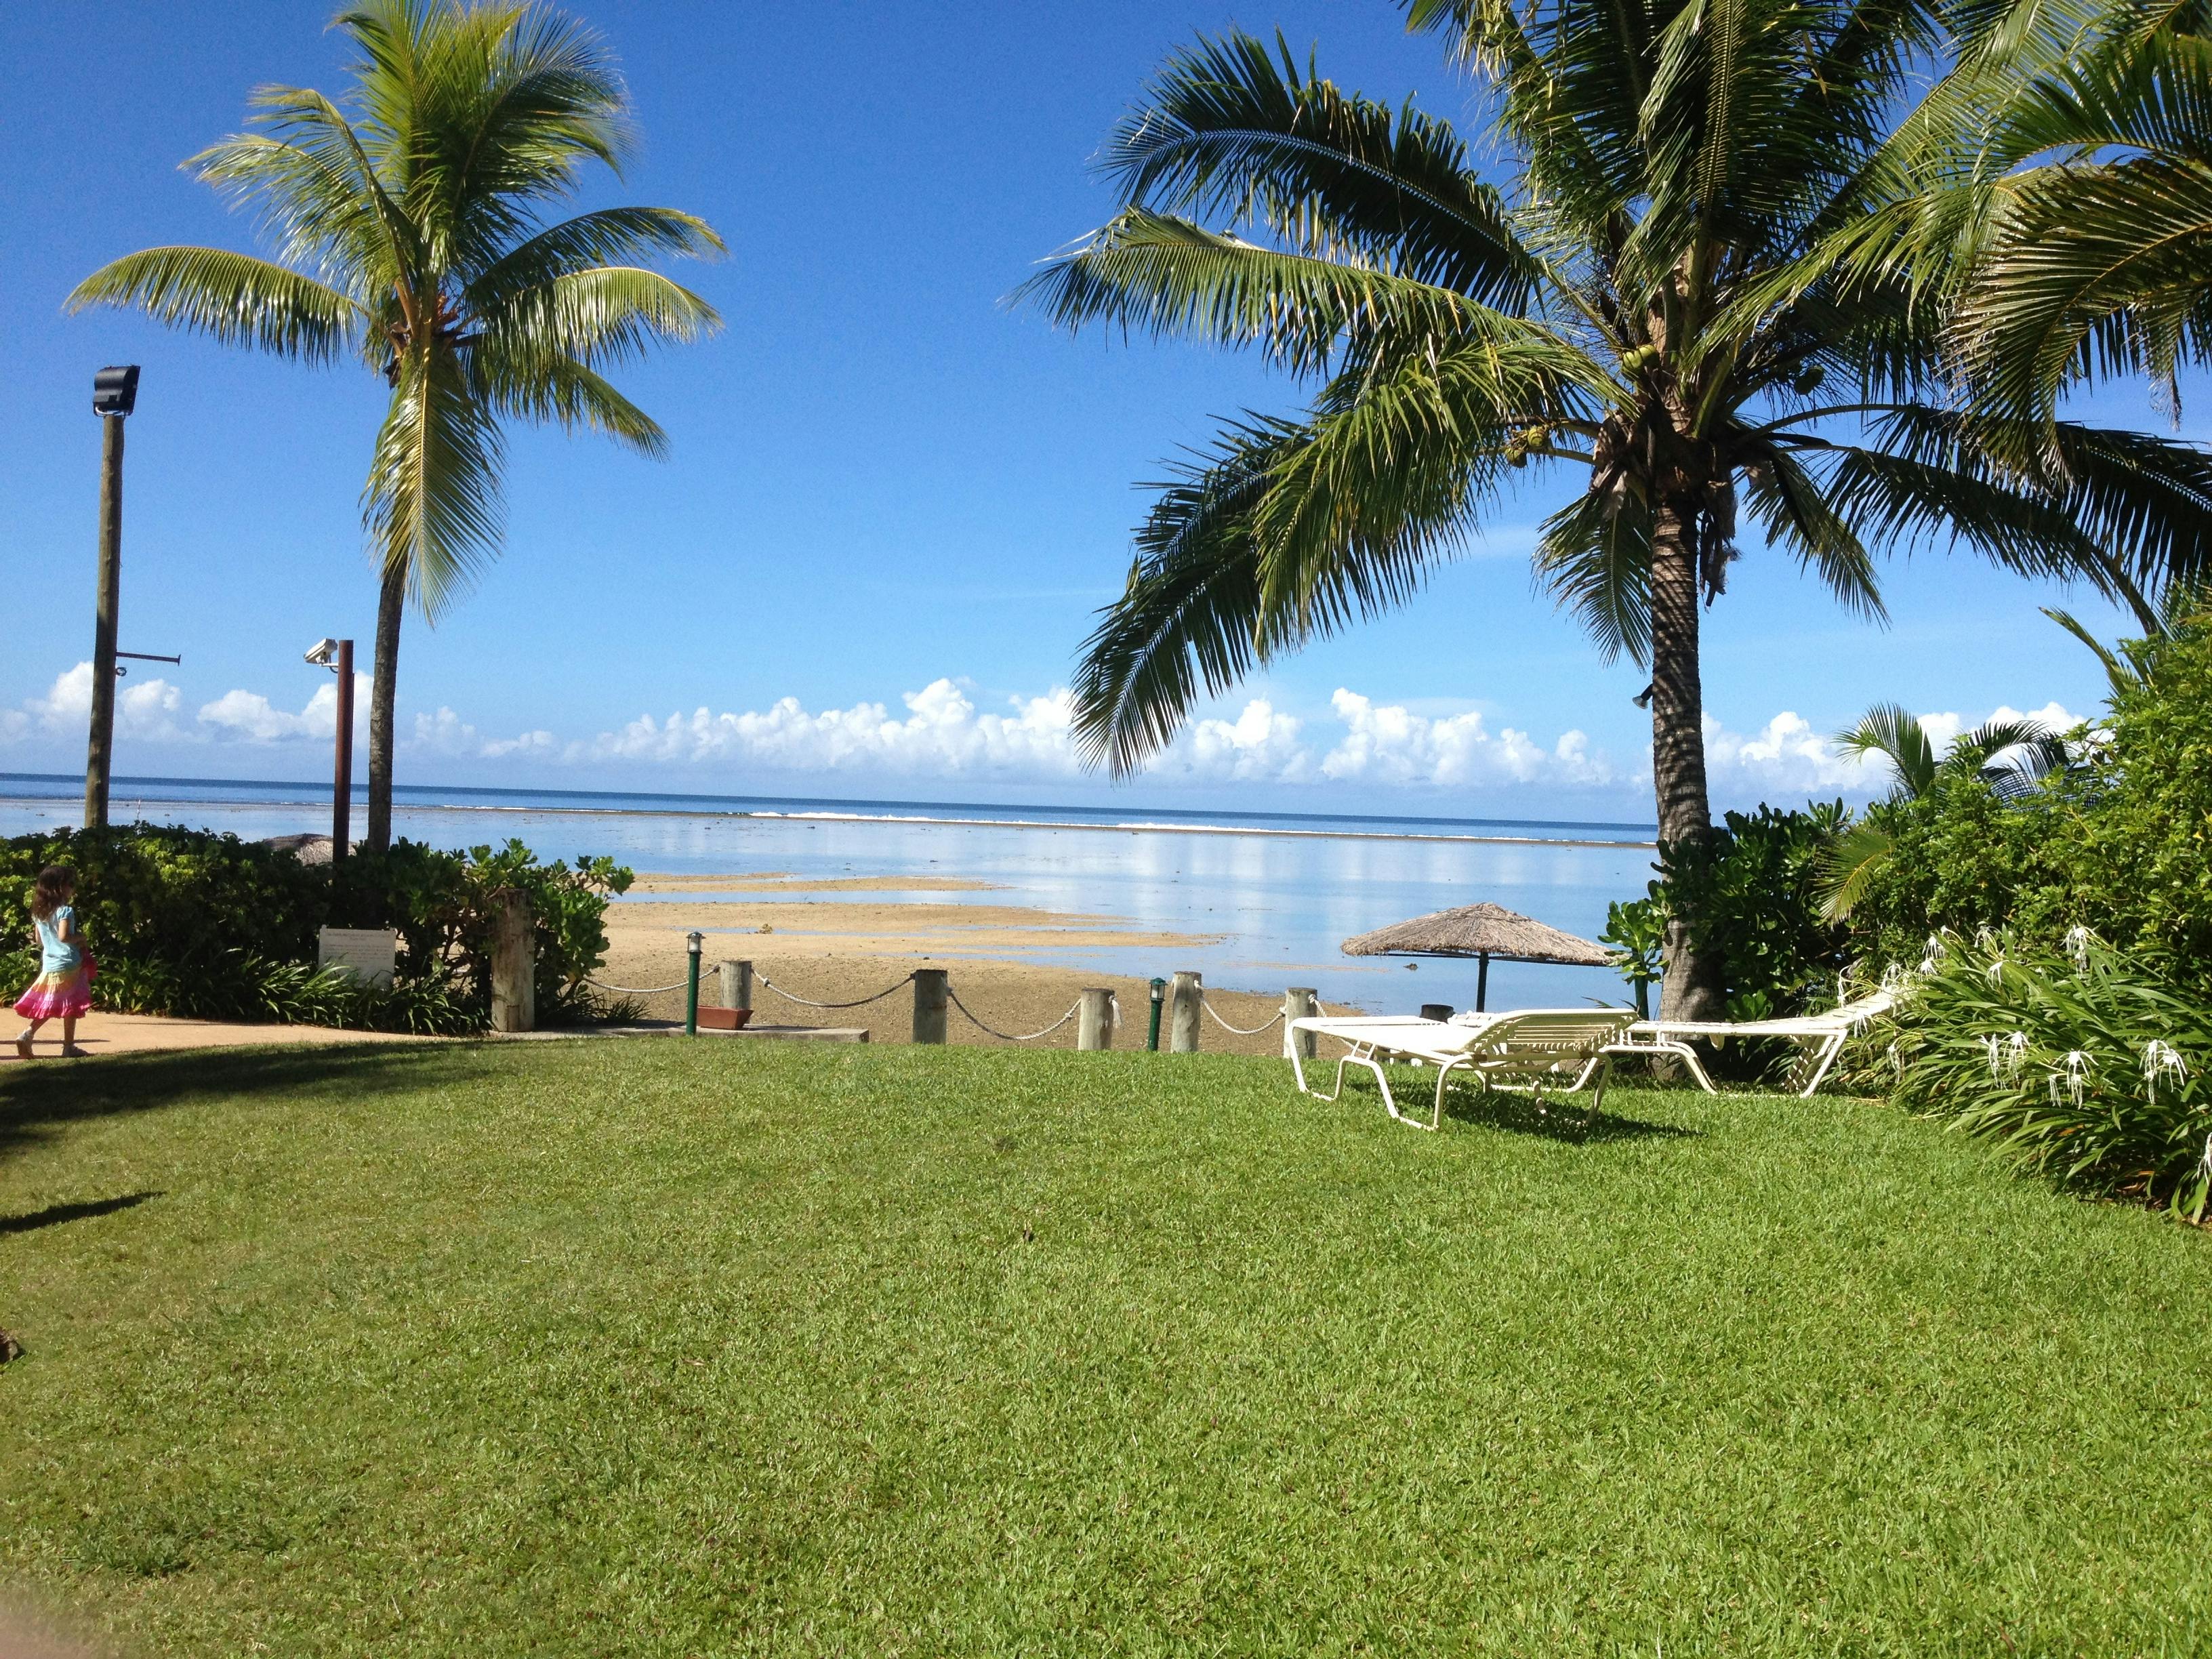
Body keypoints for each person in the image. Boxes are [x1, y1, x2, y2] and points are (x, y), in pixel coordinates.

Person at [14, 865, 93, 1059]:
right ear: (59, 887)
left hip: (51, 963)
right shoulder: (65, 911)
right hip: (69, 962)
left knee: (56, 1002)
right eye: (70, 884)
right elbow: (65, 936)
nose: (72, 888)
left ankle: (52, 1041)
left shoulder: (39, 913)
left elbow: (39, 940)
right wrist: (81, 938)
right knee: (69, 1004)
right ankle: (60, 1043)